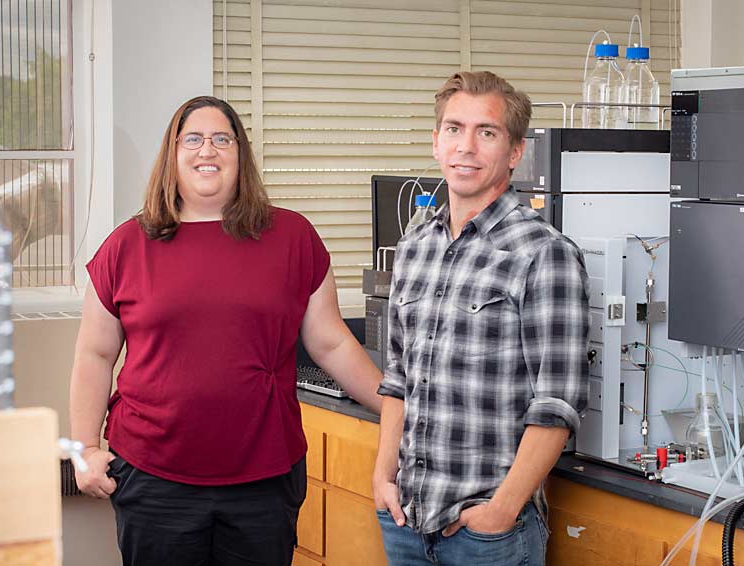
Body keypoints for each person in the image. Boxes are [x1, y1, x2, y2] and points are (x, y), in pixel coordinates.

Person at [69, 95, 383, 566]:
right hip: (154, 480)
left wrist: (402, 409)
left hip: (263, 482)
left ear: (241, 154)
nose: (207, 151)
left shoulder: (293, 238)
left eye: (222, 139)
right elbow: (94, 354)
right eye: (192, 139)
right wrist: (85, 448)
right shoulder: (126, 246)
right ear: (172, 155)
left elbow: (332, 341)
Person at [371, 71, 590, 566]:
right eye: (453, 129)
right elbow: (398, 379)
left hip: (488, 536)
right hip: (406, 520)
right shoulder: (414, 247)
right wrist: (383, 478)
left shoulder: (544, 254)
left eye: (485, 133)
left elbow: (557, 405)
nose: (465, 147)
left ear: (514, 152)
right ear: (435, 141)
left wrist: (502, 509)